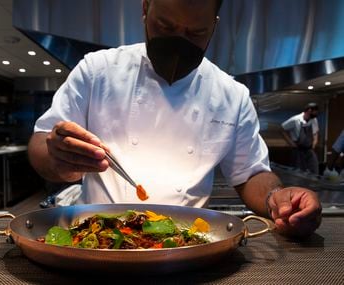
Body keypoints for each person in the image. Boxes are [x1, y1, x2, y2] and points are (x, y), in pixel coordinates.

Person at [28, 0, 321, 237]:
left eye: (195, 33)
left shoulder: (231, 95)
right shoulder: (97, 71)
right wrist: (58, 158)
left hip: (185, 244)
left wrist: (278, 198)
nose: (179, 43)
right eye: (165, 26)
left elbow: (251, 174)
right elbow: (40, 142)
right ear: (145, 9)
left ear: (213, 28)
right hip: (98, 238)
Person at [281, 103, 320, 174]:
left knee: (314, 170)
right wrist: (291, 143)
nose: (316, 113)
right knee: (298, 173)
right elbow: (282, 129)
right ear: (309, 110)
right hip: (298, 150)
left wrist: (314, 143)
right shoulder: (295, 119)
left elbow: (315, 133)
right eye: (315, 111)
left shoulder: (314, 120)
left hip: (309, 149)